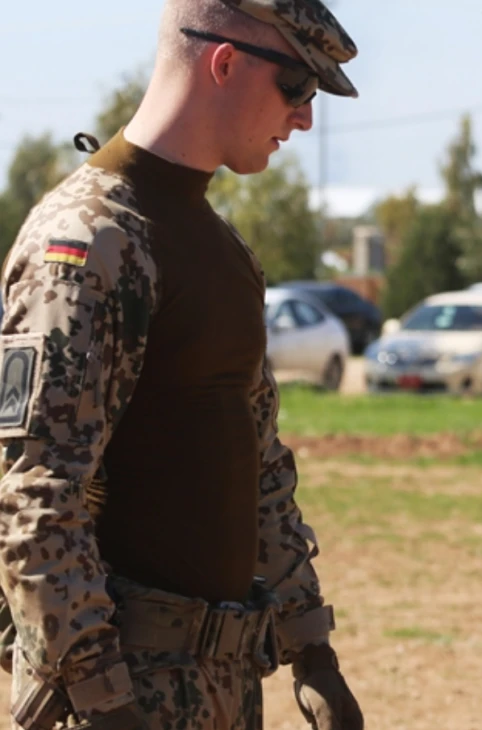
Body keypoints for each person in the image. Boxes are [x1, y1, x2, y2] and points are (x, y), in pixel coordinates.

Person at [0, 0, 362, 728]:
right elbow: (35, 496)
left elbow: (258, 462)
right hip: (117, 689)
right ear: (223, 63)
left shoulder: (226, 254)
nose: (305, 119)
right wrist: (106, 705)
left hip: (218, 684)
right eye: (297, 88)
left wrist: (310, 648)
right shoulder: (89, 242)